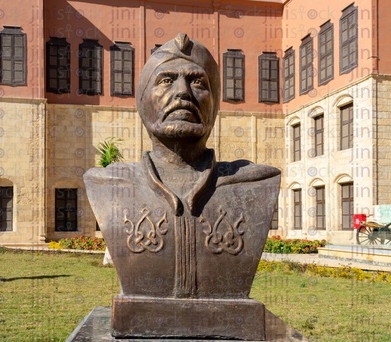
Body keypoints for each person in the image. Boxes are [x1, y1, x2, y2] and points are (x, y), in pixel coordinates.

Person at [84, 33, 281, 339]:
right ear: (142, 101)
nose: (182, 92)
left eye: (198, 82)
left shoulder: (256, 183)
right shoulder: (108, 185)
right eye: (165, 80)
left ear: (214, 101)